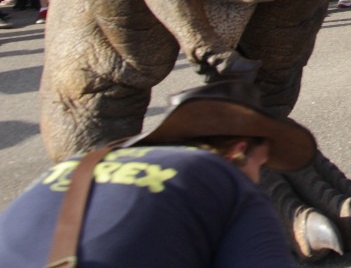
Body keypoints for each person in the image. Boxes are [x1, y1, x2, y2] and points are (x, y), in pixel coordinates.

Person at [0, 80, 314, 267]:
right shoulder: (223, 176)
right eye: (261, 164)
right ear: (239, 150)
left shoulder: (83, 163)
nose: (258, 176)